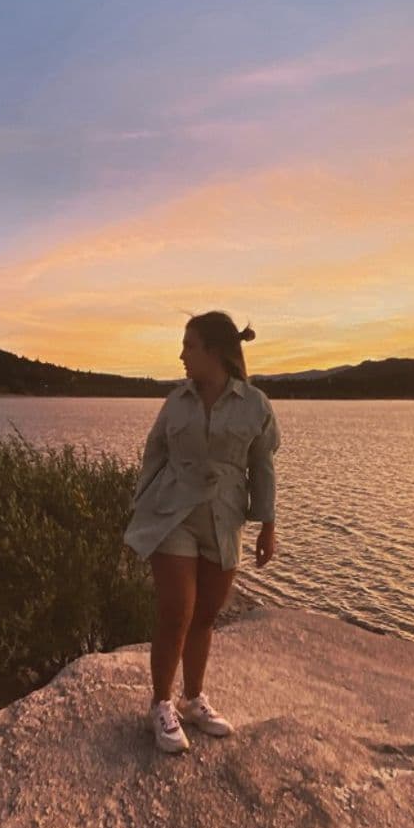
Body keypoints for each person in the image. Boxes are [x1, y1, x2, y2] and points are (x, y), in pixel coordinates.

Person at [124, 310, 279, 754]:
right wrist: (142, 504)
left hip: (225, 517)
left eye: (189, 346)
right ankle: (161, 704)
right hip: (173, 511)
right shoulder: (177, 402)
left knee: (206, 615)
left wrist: (267, 526)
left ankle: (193, 700)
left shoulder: (255, 405)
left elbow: (262, 467)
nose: (181, 355)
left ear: (215, 351)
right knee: (177, 610)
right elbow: (154, 453)